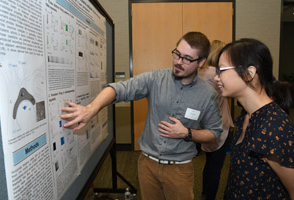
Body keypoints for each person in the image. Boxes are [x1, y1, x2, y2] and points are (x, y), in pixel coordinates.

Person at [60, 32, 223, 200]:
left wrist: (187, 133)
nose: (178, 62)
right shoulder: (156, 78)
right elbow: (119, 89)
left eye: (187, 59)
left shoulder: (208, 94)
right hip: (147, 166)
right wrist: (90, 109)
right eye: (177, 54)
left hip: (180, 170)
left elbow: (214, 133)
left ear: (201, 62)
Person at [214, 38, 294, 199]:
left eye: (221, 70)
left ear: (249, 73)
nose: (217, 78)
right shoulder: (245, 116)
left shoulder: (274, 126)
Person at [198, 40, 234, 200]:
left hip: (206, 126)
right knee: (215, 167)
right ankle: (209, 196)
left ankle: (206, 194)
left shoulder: (199, 73)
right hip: (221, 125)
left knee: (209, 164)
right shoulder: (218, 75)